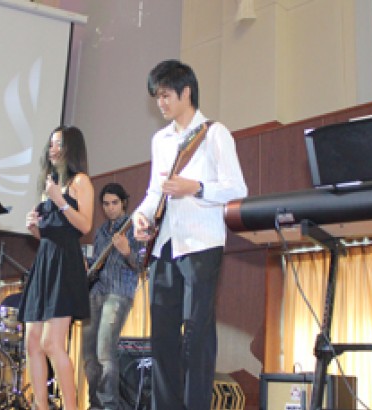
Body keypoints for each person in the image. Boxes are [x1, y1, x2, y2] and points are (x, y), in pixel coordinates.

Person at [132, 60, 248, 410]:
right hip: (165, 246)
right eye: (157, 97)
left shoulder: (215, 133)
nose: (161, 103)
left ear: (186, 92)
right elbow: (156, 191)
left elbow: (236, 188)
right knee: (162, 336)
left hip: (201, 244)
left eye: (166, 95)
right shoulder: (160, 140)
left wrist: (194, 187)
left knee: (197, 334)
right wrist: (141, 216)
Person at [19, 126, 94, 410]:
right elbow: (48, 234)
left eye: (58, 144)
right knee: (32, 343)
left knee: (52, 343)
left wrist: (59, 200)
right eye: (50, 143)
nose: (52, 149)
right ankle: (41, 406)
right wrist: (34, 228)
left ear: (71, 148)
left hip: (65, 263)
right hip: (45, 262)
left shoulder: (80, 182)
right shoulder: (48, 186)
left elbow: (84, 225)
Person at [82, 183, 142, 410]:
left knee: (105, 353)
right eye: (105, 204)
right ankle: (94, 404)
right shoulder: (100, 231)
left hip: (119, 293)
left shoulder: (134, 225)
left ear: (123, 203)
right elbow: (97, 264)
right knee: (89, 356)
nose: (110, 208)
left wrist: (127, 251)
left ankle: (109, 406)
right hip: (96, 292)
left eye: (114, 203)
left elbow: (142, 264)